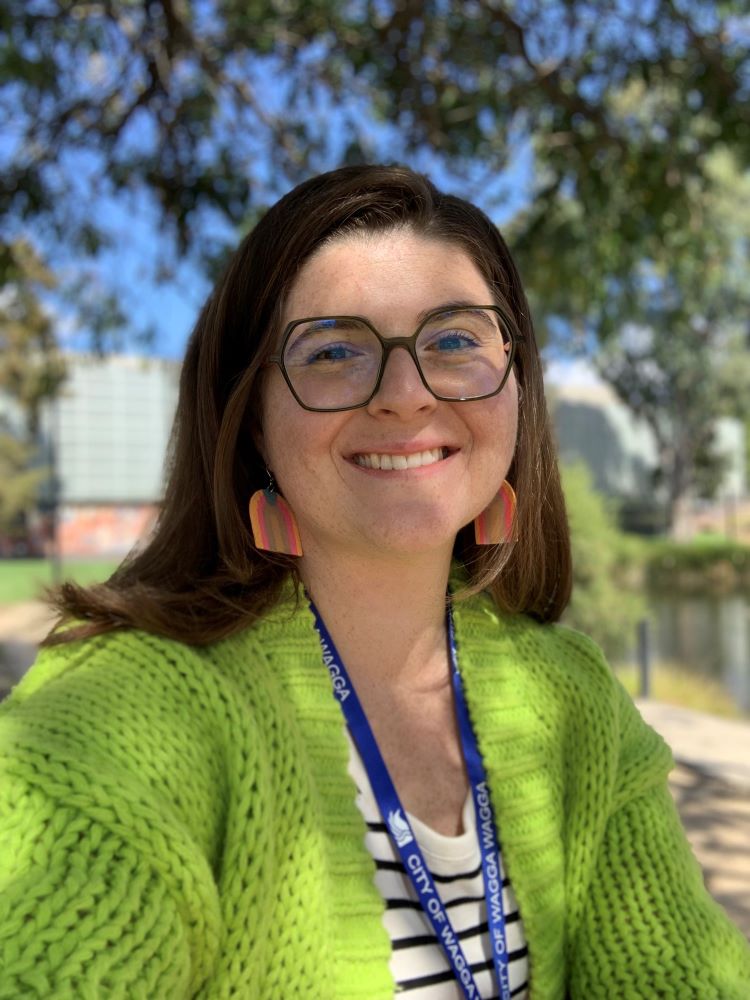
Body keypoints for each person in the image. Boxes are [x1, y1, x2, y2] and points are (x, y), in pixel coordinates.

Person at [0, 165, 748, 1000]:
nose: (405, 395)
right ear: (251, 415)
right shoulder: (127, 710)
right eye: (333, 351)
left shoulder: (575, 700)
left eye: (456, 341)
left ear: (518, 386)